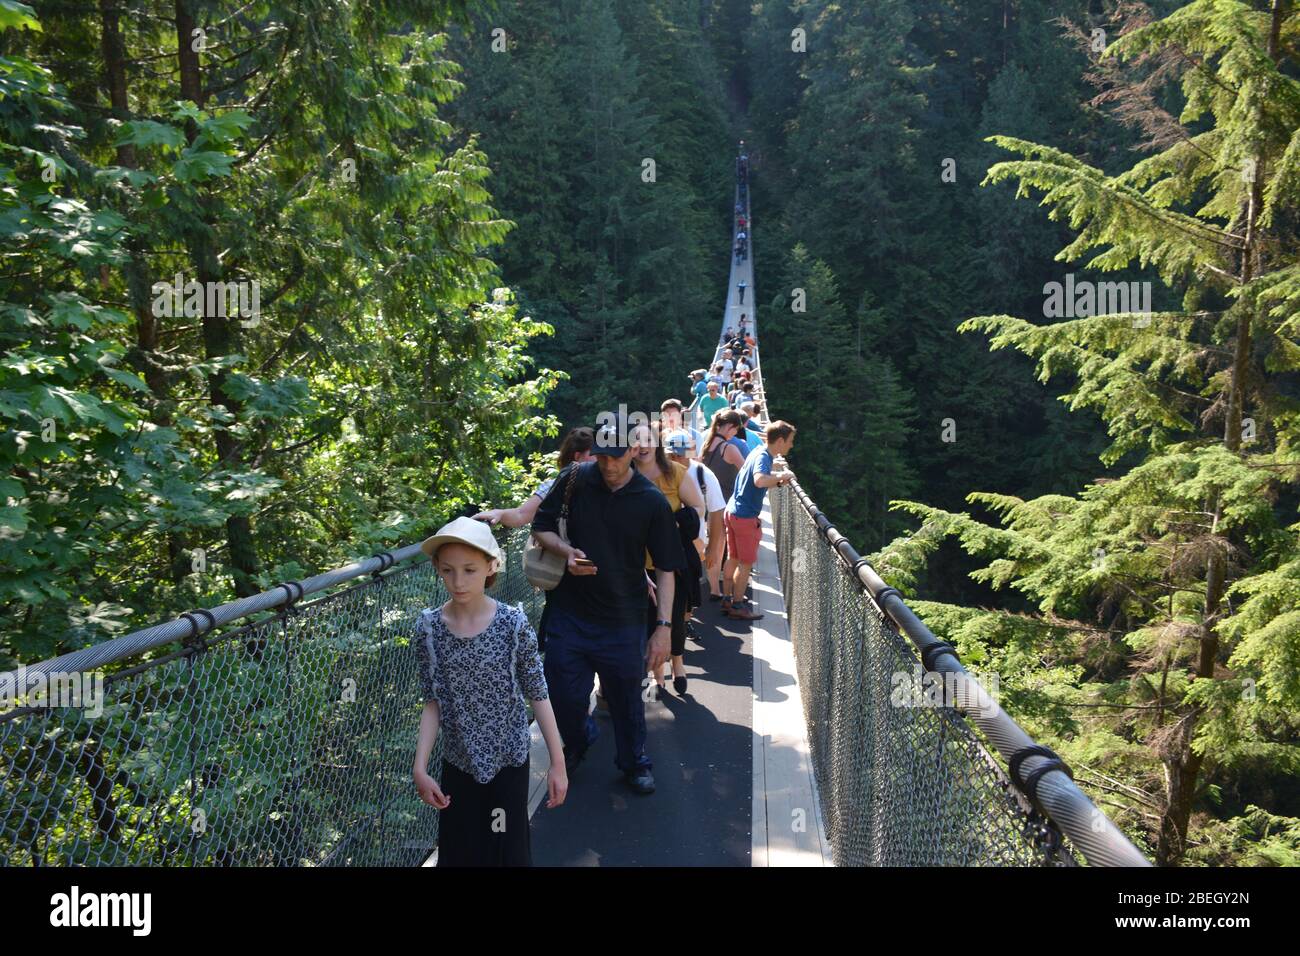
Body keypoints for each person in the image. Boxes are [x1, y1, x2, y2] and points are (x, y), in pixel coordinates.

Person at [531, 419, 685, 795]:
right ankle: (580, 738)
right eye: (602, 457)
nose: (609, 465)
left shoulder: (650, 500)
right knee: (562, 695)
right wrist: (567, 553)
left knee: (626, 699)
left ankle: (635, 762)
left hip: (623, 619)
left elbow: (667, 568)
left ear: (634, 451)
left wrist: (663, 628)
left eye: (616, 457)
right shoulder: (575, 479)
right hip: (570, 612)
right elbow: (540, 526)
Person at [413, 517, 567, 866]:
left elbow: (537, 693)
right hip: (458, 761)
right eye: (448, 570)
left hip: (508, 760)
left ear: (490, 566)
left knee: (506, 851)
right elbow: (432, 700)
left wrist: (558, 763)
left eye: (469, 570)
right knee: (459, 853)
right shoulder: (429, 628)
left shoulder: (512, 624)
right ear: (437, 568)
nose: (458, 581)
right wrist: (420, 767)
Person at [473, 427, 597, 651]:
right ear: (578, 457)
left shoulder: (610, 486)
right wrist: (500, 514)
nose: (603, 459)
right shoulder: (556, 485)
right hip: (564, 576)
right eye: (595, 453)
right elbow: (522, 514)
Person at [629, 423, 705, 696]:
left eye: (647, 439)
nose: (643, 445)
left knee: (672, 616)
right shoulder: (624, 476)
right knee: (647, 621)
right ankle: (657, 675)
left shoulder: (675, 473)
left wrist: (674, 523)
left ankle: (679, 664)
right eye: (636, 440)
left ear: (657, 442)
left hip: (671, 559)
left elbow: (698, 507)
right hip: (637, 563)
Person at [722, 421, 797, 622]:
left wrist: (777, 474)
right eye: (789, 441)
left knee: (734, 557)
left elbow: (760, 475)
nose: (791, 445)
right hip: (745, 517)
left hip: (732, 511)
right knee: (746, 564)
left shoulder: (758, 451)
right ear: (780, 441)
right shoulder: (764, 457)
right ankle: (737, 606)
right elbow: (759, 480)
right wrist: (782, 475)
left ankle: (727, 598)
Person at [665, 429, 726, 604]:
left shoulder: (703, 475)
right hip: (665, 539)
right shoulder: (659, 473)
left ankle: (684, 622)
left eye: (679, 455)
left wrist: (713, 548)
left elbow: (716, 511)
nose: (675, 460)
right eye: (671, 455)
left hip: (694, 542)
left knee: (688, 586)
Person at [700, 410, 750, 600]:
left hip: (704, 502)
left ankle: (713, 587)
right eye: (736, 430)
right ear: (730, 427)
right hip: (723, 504)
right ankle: (718, 590)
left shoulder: (706, 445)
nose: (735, 434)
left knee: (711, 544)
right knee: (720, 547)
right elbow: (746, 472)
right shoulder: (728, 448)